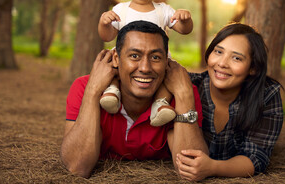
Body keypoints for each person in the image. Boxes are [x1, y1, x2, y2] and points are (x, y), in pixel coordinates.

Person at [60, 21, 208, 178]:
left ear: (167, 62)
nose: (145, 68)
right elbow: (77, 167)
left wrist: (184, 96)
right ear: (116, 58)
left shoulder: (181, 91)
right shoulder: (85, 87)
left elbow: (191, 169)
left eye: (156, 57)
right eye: (134, 56)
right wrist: (93, 91)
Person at [171, 23, 284, 181]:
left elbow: (256, 157)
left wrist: (213, 167)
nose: (222, 63)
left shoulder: (266, 95)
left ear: (253, 68)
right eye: (218, 52)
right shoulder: (191, 86)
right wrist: (184, 96)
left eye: (236, 58)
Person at [98, 0, 193, 127]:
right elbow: (107, 36)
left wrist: (185, 20)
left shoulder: (163, 10)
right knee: (111, 65)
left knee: (169, 73)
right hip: (126, 60)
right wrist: (104, 23)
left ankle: (160, 104)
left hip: (156, 60)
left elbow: (183, 30)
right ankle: (112, 91)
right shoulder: (121, 9)